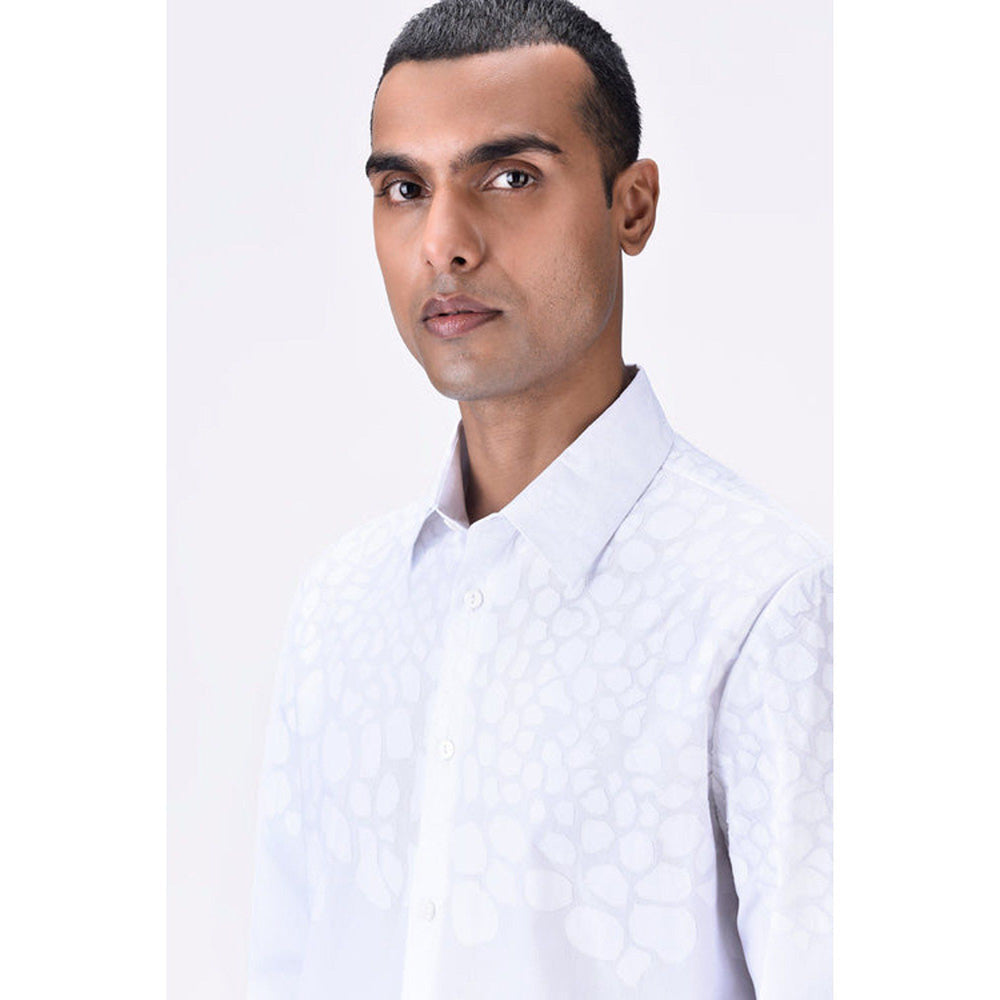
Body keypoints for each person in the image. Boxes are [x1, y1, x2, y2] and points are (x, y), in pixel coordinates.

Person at [246, 1, 832, 997]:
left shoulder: (764, 607)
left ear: (631, 206)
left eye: (510, 177)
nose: (444, 243)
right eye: (403, 188)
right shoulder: (340, 607)